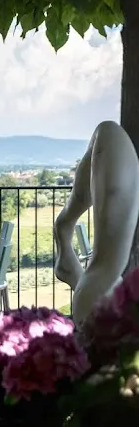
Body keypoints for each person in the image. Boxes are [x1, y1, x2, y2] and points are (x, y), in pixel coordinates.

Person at [54, 120, 139, 322]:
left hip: (98, 296)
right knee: (107, 132)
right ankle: (63, 230)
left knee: (108, 132)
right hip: (99, 293)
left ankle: (63, 229)